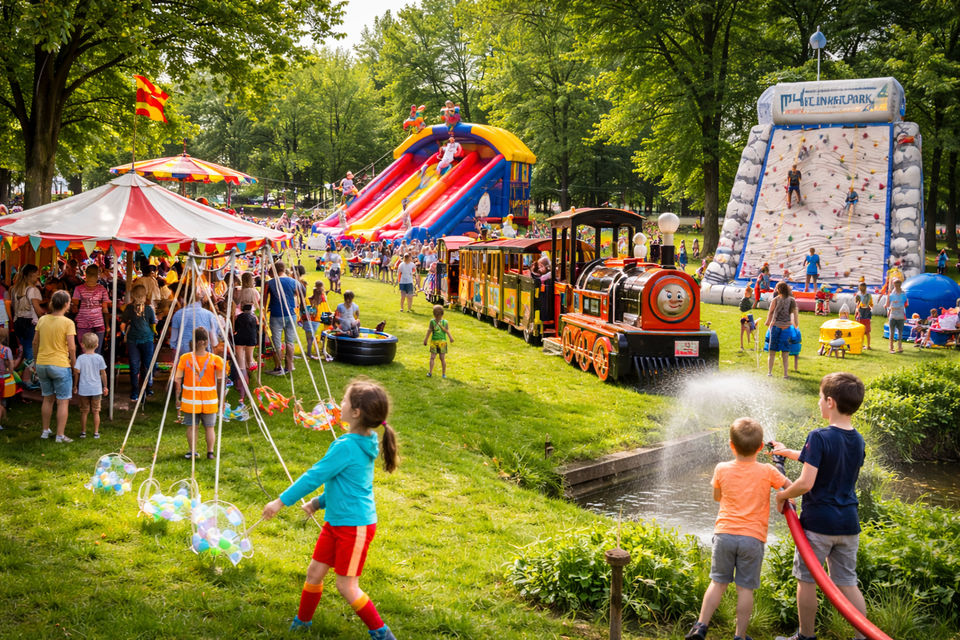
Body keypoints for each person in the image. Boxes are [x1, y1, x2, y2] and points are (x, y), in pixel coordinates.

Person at [261, 379, 399, 639]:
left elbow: (315, 476)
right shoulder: (362, 440)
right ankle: (302, 623)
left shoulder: (347, 445)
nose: (340, 404)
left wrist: (280, 501)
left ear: (355, 412)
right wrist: (318, 502)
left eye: (344, 400)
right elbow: (345, 483)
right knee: (314, 572)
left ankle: (382, 634)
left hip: (355, 526)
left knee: (346, 586)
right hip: (337, 522)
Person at [772, 373, 868, 640]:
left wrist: (782, 497)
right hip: (848, 525)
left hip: (818, 525)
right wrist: (788, 451)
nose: (818, 403)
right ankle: (863, 637)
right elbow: (829, 461)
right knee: (847, 583)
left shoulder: (819, 435)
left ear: (829, 402)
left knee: (807, 580)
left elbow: (805, 483)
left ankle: (805, 636)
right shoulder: (858, 439)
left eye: (819, 398)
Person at [684, 418, 790, 640]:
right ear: (761, 447)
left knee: (717, 583)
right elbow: (791, 487)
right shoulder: (768, 471)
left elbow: (717, 497)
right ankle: (740, 636)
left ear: (731, 445)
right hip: (752, 538)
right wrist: (781, 496)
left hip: (724, 535)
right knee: (744, 590)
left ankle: (701, 626)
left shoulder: (721, 468)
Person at [174, 327, 224, 460]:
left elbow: (177, 379)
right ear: (206, 341)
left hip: (190, 400)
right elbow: (220, 381)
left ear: (194, 341)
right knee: (209, 427)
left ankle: (192, 451)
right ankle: (210, 452)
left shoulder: (184, 358)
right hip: (210, 400)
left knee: (192, 427)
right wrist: (222, 400)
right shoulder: (216, 360)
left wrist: (177, 397)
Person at [34, 290, 76, 442]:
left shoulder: (42, 319)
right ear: (66, 304)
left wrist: (35, 359)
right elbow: (71, 347)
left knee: (47, 398)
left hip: (42, 363)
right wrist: (74, 364)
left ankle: (45, 431)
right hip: (60, 364)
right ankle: (60, 435)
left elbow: (35, 342)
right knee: (63, 401)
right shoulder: (68, 322)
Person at [265, 261, 302, 376]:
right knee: (289, 342)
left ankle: (278, 368)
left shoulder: (270, 283)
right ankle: (289, 366)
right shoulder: (294, 282)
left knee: (277, 342)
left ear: (275, 270)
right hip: (291, 314)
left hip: (276, 315)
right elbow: (300, 294)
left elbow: (263, 299)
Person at [121, 285, 157, 401]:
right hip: (147, 339)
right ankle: (147, 390)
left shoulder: (128, 308)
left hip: (132, 340)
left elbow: (122, 324)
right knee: (147, 366)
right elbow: (153, 326)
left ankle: (134, 392)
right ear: (144, 294)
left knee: (134, 366)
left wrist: (123, 334)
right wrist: (155, 334)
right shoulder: (149, 309)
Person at [73, 332, 108, 438]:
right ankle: (96, 432)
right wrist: (105, 386)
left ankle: (83, 431)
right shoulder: (99, 358)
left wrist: (75, 386)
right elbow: (103, 373)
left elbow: (77, 373)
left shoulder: (80, 358)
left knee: (84, 411)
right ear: (97, 345)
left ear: (82, 345)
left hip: (84, 389)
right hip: (96, 389)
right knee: (96, 411)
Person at [9, 264, 45, 367]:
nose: (37, 276)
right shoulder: (33, 290)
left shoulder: (14, 289)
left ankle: (22, 373)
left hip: (18, 323)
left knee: (25, 350)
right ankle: (29, 378)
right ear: (31, 275)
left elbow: (13, 307)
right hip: (30, 323)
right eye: (36, 274)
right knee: (31, 351)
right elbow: (37, 309)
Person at [169, 287, 220, 356]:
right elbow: (214, 341)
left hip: (184, 355)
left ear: (181, 299)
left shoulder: (177, 314)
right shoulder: (210, 315)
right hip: (204, 356)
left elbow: (173, 340)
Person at [71, 264, 109, 355]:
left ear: (86, 274)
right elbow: (105, 309)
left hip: (82, 323)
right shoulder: (102, 289)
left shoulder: (78, 288)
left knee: (84, 350)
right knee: (97, 350)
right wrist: (107, 325)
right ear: (97, 276)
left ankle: (84, 369)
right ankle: (95, 369)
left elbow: (75, 305)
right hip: (99, 323)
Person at [765, 282, 799, 379]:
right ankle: (785, 374)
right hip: (787, 329)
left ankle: (770, 372)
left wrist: (768, 323)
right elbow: (795, 314)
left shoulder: (775, 300)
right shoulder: (792, 300)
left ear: (779, 289)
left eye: (776, 288)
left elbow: (770, 312)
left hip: (775, 327)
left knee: (772, 352)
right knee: (785, 353)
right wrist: (796, 324)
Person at [423, 304, 454, 378]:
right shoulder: (445, 322)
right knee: (442, 358)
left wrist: (426, 339)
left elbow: (429, 331)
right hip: (442, 342)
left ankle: (431, 372)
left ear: (434, 313)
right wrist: (450, 338)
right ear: (442, 313)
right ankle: (443, 374)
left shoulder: (433, 321)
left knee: (432, 357)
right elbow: (447, 331)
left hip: (435, 342)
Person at [884, 278, 908, 353]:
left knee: (895, 332)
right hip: (896, 314)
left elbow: (887, 305)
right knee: (897, 332)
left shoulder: (893, 294)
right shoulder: (900, 293)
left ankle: (895, 347)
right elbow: (906, 304)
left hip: (896, 315)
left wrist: (889, 306)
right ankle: (896, 347)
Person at [0, 327, 16, 429]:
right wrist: (10, 372)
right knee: (3, 400)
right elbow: (11, 362)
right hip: (4, 377)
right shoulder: (6, 350)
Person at [853, 282, 873, 350]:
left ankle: (868, 345)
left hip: (866, 314)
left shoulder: (868, 295)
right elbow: (856, 302)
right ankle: (861, 344)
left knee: (867, 331)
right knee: (860, 330)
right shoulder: (858, 294)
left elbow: (869, 304)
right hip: (860, 313)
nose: (861, 289)